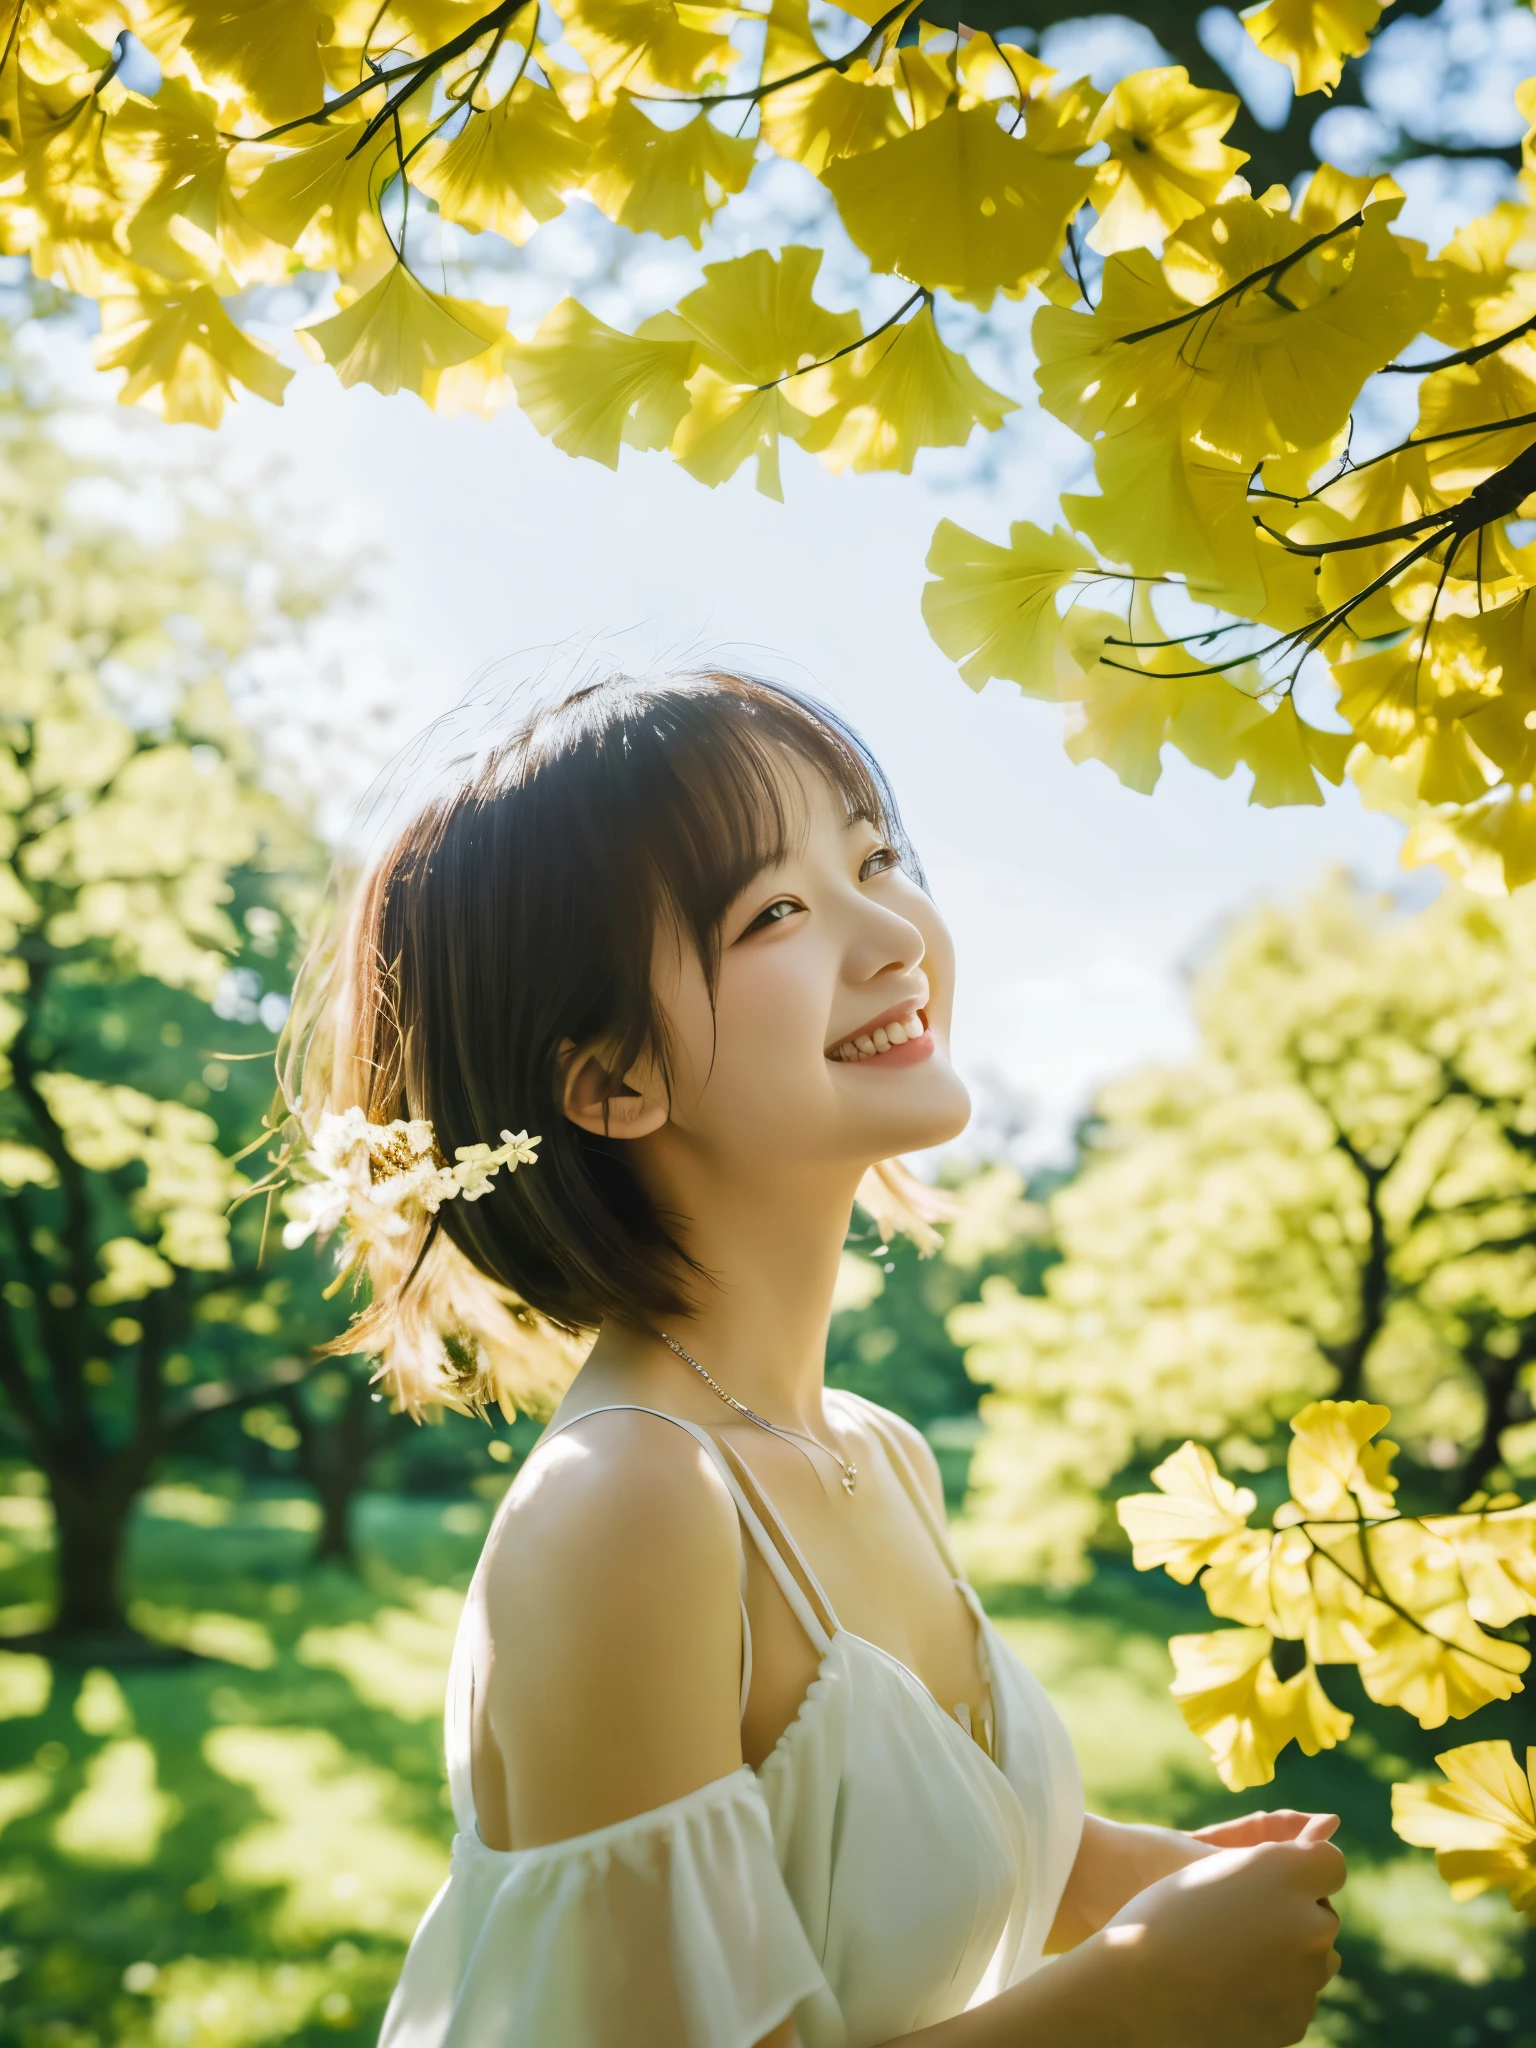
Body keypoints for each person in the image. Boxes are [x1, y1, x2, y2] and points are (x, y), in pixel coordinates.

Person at [285, 668, 1345, 2048]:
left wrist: (1135, 1874)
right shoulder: (626, 1507)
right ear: (612, 1081)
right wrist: (1142, 1995)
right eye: (775, 911)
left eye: (876, 858)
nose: (895, 934)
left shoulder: (877, 1453)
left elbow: (849, 1827)